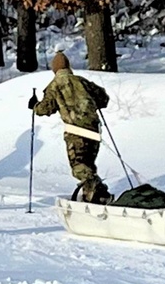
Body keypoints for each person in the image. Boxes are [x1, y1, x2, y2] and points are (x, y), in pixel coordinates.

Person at [31, 51, 112, 204]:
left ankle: (96, 187)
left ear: (54, 69)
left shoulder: (54, 86)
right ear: (68, 66)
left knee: (78, 165)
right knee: (88, 163)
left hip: (75, 131)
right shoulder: (82, 81)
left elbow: (45, 109)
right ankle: (91, 195)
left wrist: (34, 106)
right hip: (94, 130)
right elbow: (103, 99)